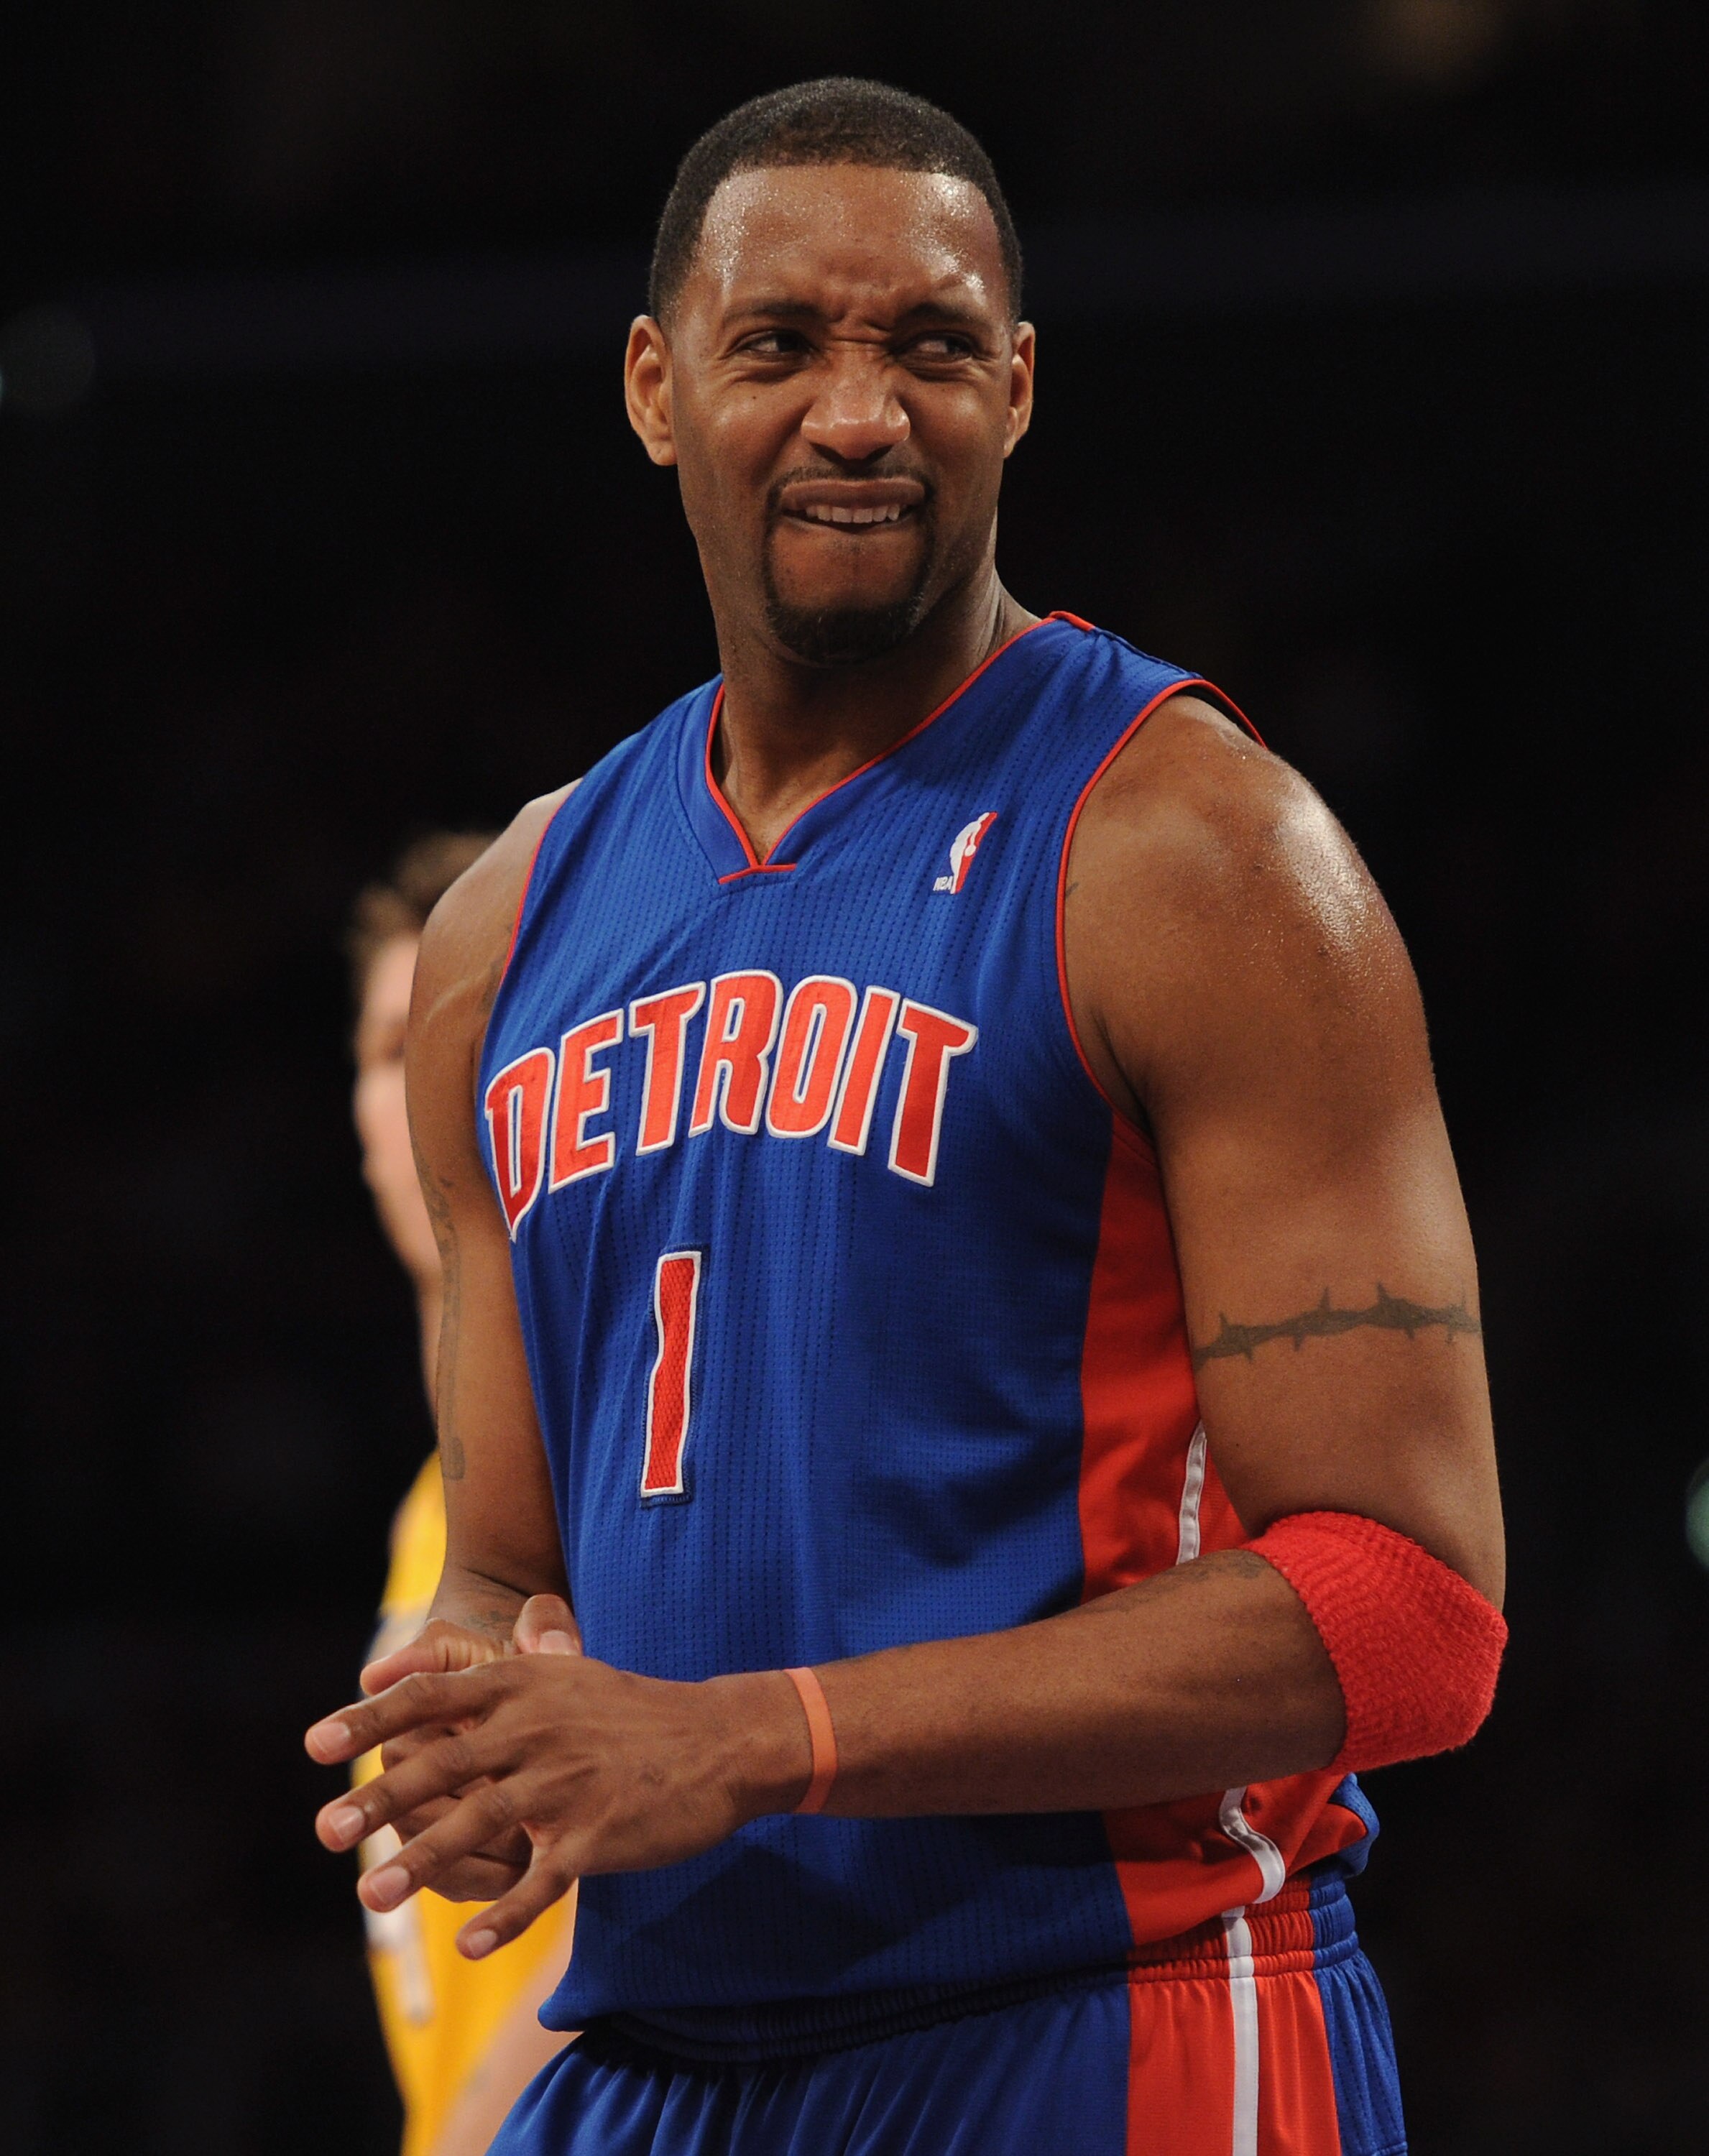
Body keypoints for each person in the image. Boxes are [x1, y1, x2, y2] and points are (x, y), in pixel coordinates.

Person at [307, 79, 1507, 2155]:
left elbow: (1414, 1610)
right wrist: (464, 1726)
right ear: (656, 388)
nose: (859, 413)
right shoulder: (509, 935)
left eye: (930, 348)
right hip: (665, 2062)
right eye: (781, 347)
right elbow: (504, 1570)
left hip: (1112, 2017)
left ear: (1018, 389)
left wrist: (754, 1742)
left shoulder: (1199, 855)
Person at [347, 834, 576, 2156]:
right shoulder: (436, 1505)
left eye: (477, 1038)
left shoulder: (616, 1453)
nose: (434, 1086)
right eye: (392, 1050)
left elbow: (648, 1907)